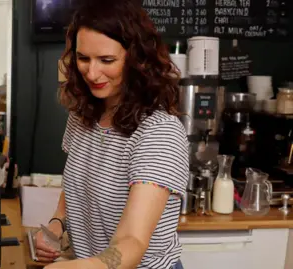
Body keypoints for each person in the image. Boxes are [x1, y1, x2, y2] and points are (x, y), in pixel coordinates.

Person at [34, 0, 189, 269]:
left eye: (107, 60)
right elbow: (76, 184)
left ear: (137, 60)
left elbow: (132, 242)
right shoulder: (83, 116)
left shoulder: (159, 132)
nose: (92, 73)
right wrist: (57, 225)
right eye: (83, 58)